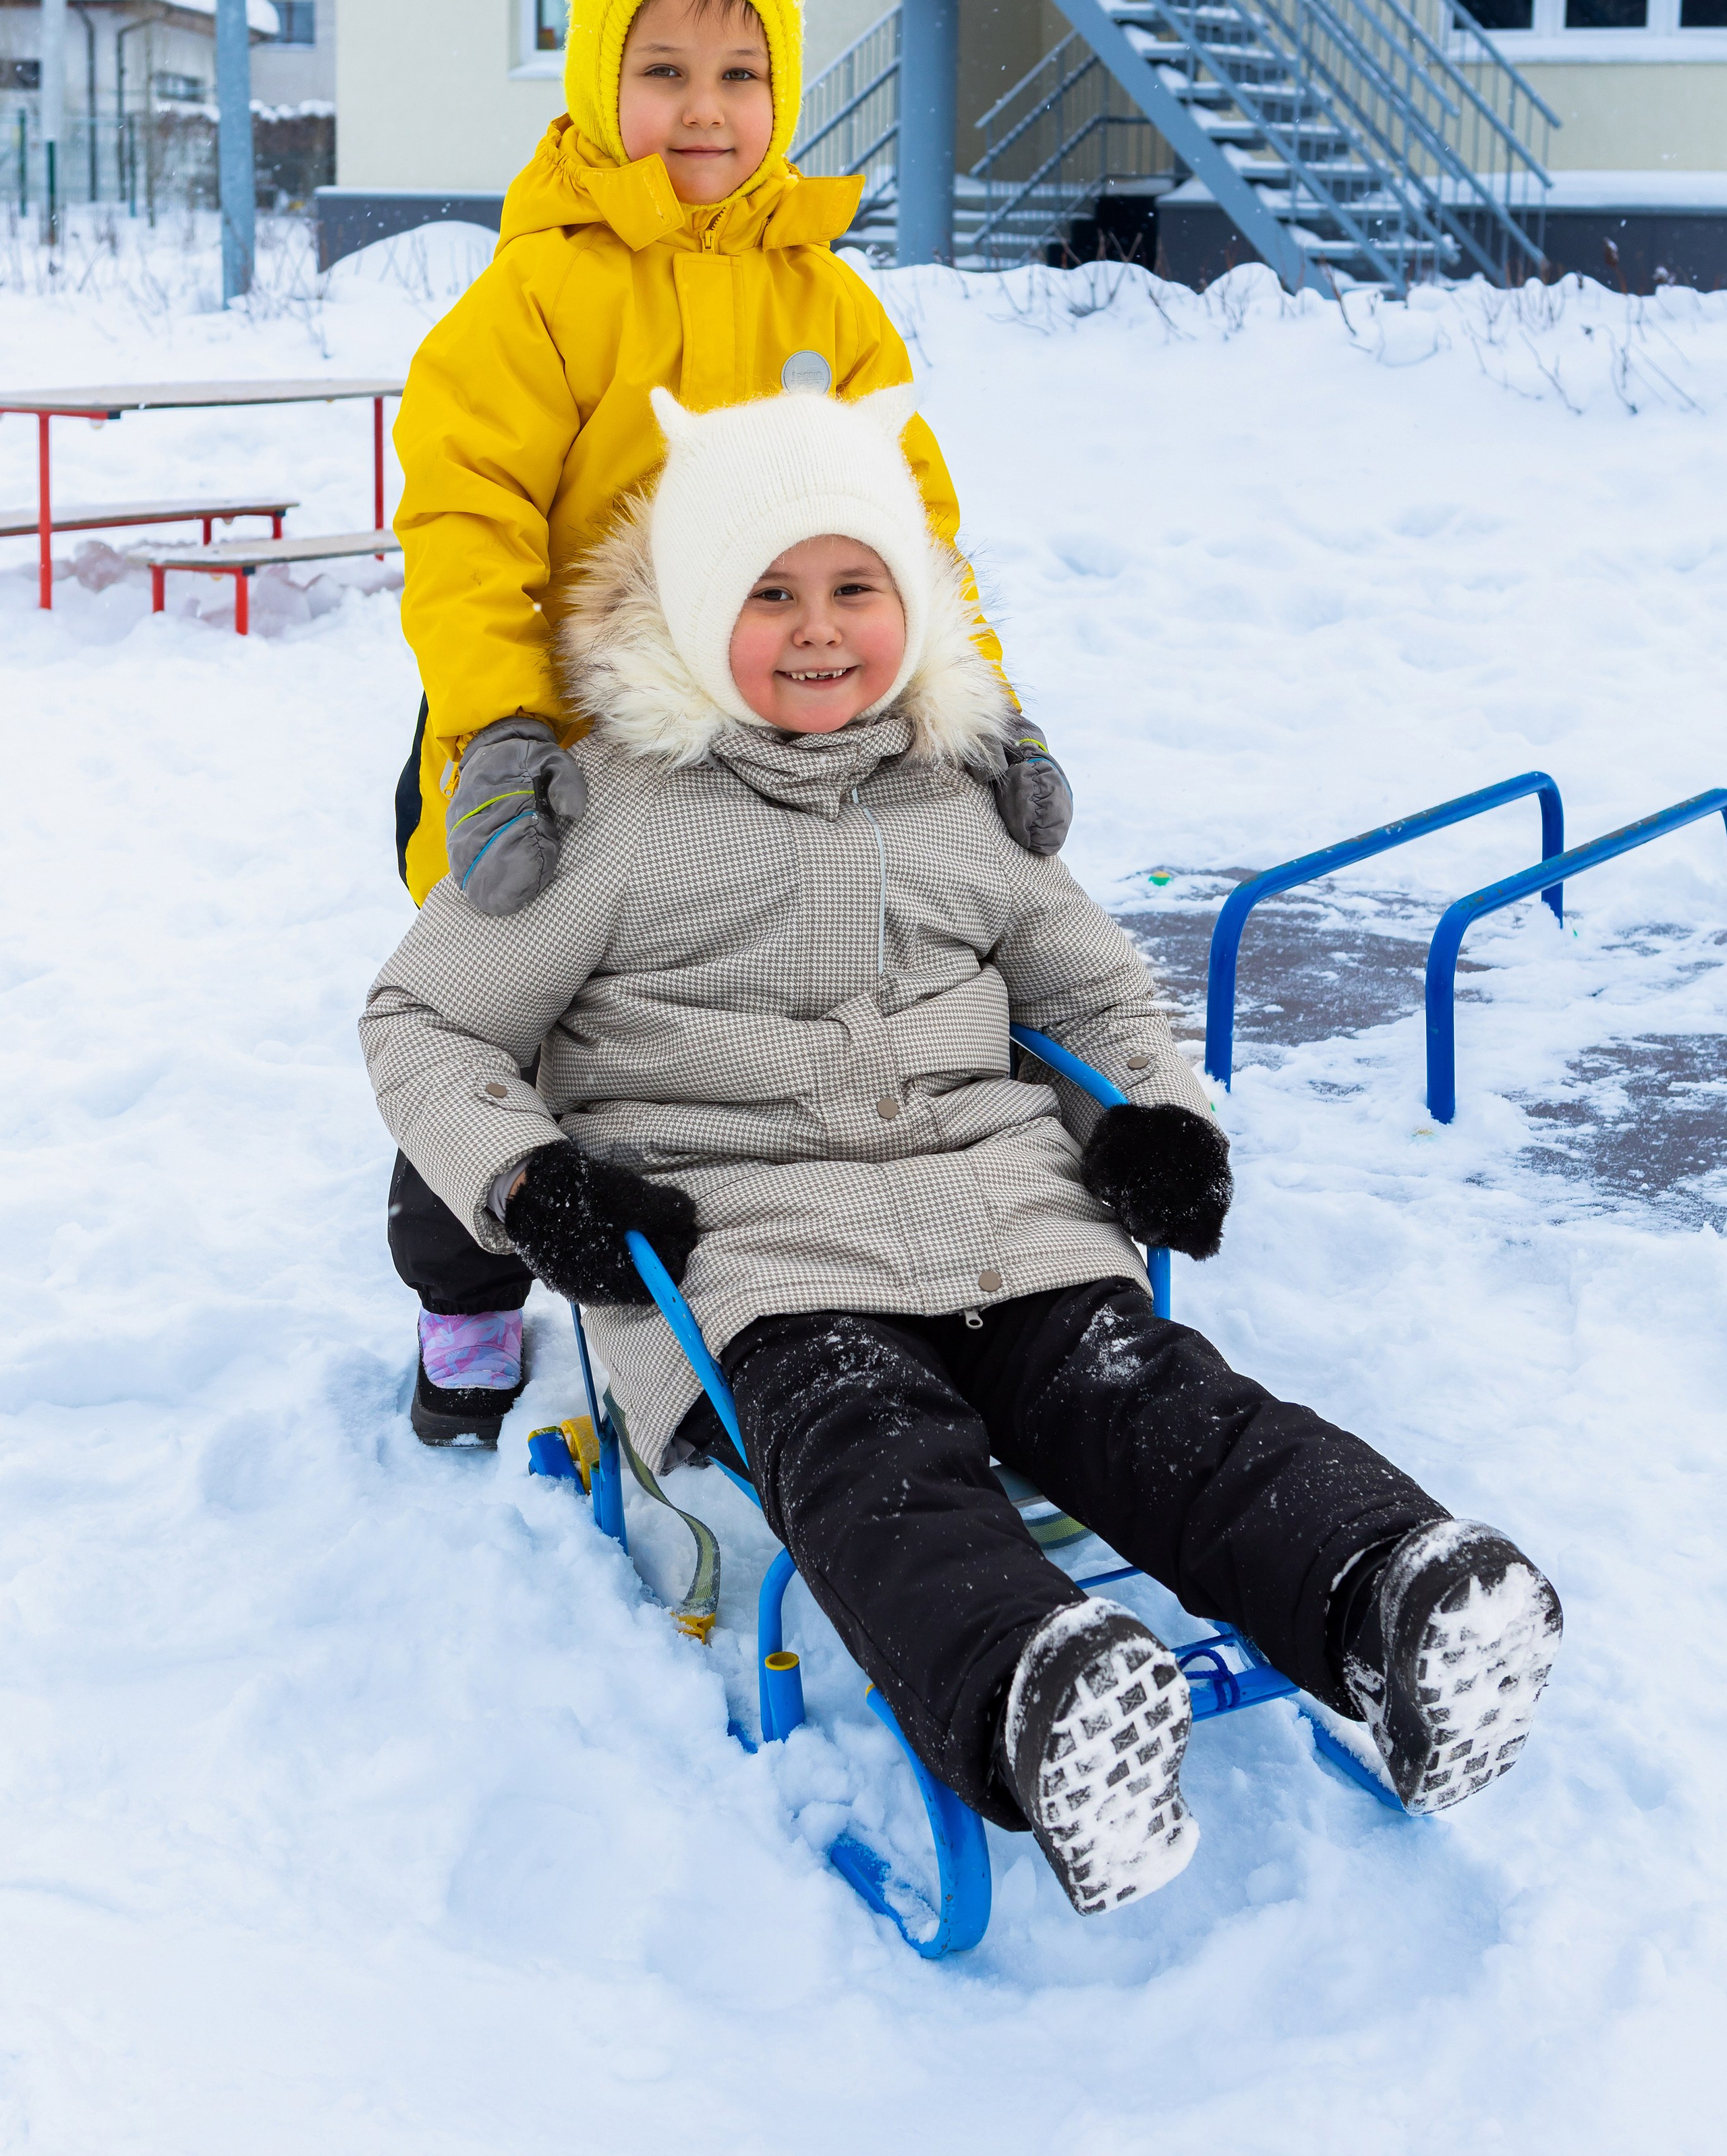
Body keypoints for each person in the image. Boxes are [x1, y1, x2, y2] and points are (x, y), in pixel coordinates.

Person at [360, 385, 1562, 1917]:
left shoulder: (956, 796)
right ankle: (1037, 1705)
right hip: (753, 1257)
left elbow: (1087, 988)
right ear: (683, 611)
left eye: (854, 588)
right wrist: (531, 1184)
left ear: (910, 605)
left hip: (1005, 1213)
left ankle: (1391, 1600)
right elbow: (423, 1023)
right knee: (875, 1461)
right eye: (766, 594)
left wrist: (1151, 1118)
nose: (816, 631)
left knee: (1160, 1406)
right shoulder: (607, 817)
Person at [385, 0, 1071, 1441]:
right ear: (589, 83)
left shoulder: (826, 300)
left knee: (733, 1016)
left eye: (742, 73)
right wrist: (500, 729)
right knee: (495, 1017)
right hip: (546, 752)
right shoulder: (538, 300)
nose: (705, 109)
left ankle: (828, 1252)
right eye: (665, 70)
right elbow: (462, 518)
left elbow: (913, 531)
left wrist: (983, 710)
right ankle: (464, 1302)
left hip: (764, 743)